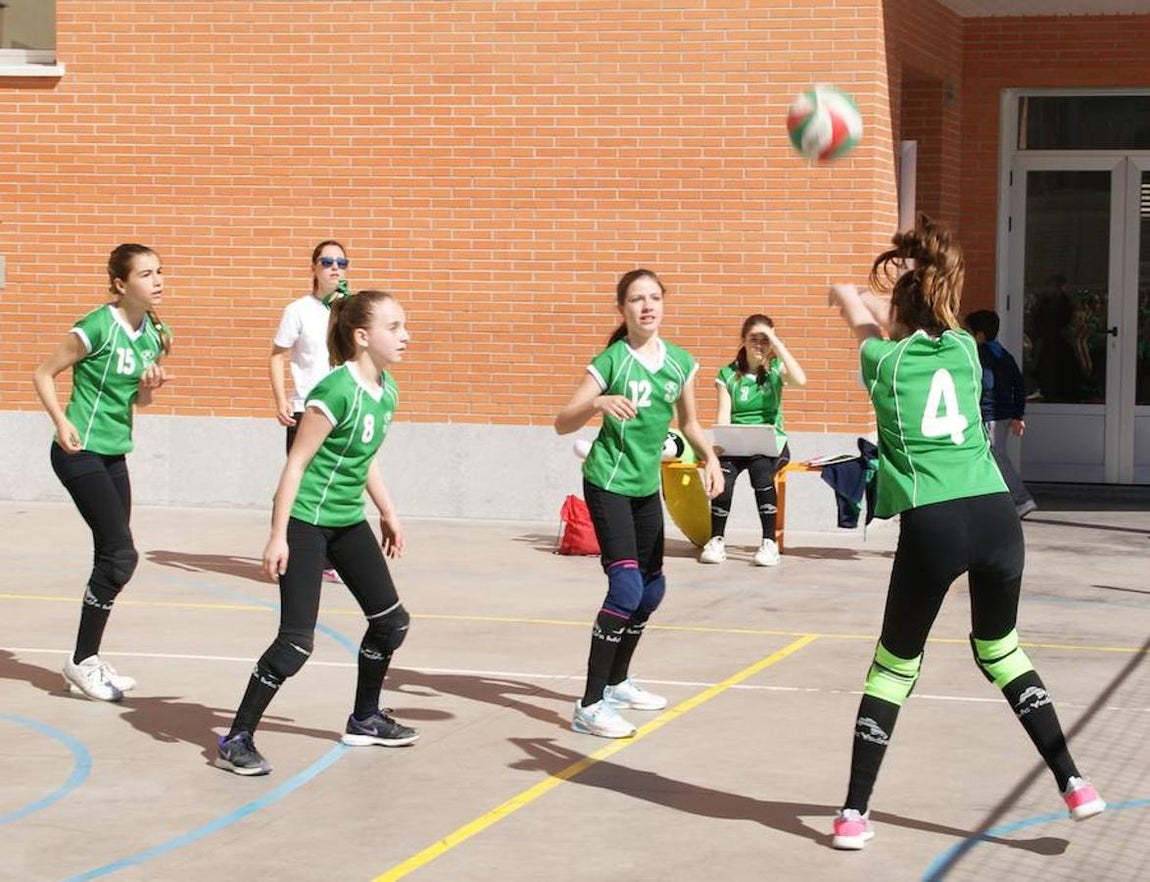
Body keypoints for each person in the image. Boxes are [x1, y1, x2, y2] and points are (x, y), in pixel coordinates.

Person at [826, 217, 1104, 850]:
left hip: (936, 521)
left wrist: (846, 295)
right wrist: (902, 280)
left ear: (899, 314)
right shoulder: (965, 351)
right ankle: (1075, 782)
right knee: (1001, 650)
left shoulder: (883, 361)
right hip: (997, 515)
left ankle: (854, 814)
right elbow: (905, 313)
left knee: (894, 667)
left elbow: (865, 319)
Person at [217, 289, 418, 775]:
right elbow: (296, 464)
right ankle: (237, 737)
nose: (405, 336)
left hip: (347, 521)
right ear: (362, 336)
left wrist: (388, 511)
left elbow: (363, 458)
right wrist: (278, 535)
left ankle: (365, 718)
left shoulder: (386, 389)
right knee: (296, 644)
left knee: (391, 622)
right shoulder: (334, 391)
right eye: (394, 327)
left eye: (403, 326)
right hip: (307, 523)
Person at [554, 269, 723, 739]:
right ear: (622, 308)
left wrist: (710, 459)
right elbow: (562, 422)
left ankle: (617, 682)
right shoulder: (611, 362)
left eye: (654, 298)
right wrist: (598, 404)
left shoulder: (680, 362)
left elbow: (690, 423)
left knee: (651, 590)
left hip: (647, 487)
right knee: (626, 589)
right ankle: (590, 705)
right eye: (636, 299)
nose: (647, 306)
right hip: (608, 484)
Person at [32, 244, 172, 702]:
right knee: (121, 556)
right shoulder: (96, 327)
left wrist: (149, 387)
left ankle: (87, 659)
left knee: (109, 558)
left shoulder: (156, 334)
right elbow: (43, 374)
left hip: (114, 454)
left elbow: (139, 400)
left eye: (159, 272)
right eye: (146, 274)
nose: (157, 280)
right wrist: (61, 421)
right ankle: (81, 661)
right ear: (120, 284)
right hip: (79, 452)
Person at [270, 240, 350, 582]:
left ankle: (326, 559)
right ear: (314, 267)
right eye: (327, 262)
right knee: (299, 484)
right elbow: (277, 355)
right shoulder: (298, 310)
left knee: (334, 484)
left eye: (341, 263)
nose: (335, 268)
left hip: (340, 409)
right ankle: (285, 550)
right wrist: (281, 399)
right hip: (306, 407)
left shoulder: (349, 310)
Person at [699, 314, 807, 566]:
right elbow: (723, 416)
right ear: (744, 340)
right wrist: (717, 448)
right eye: (754, 339)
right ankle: (716, 540)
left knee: (761, 471)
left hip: (771, 444)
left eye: (765, 339)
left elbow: (801, 380)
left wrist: (776, 343)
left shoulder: (776, 369)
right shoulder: (727, 374)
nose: (760, 345)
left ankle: (769, 543)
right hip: (737, 442)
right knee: (724, 475)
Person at [964, 309, 1037, 518]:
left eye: (968, 332)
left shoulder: (981, 355)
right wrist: (1017, 415)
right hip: (1003, 415)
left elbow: (985, 384)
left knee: (996, 458)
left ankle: (1021, 499)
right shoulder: (1004, 355)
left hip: (990, 415)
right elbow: (1019, 384)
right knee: (988, 458)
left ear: (979, 334)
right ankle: (988, 502)